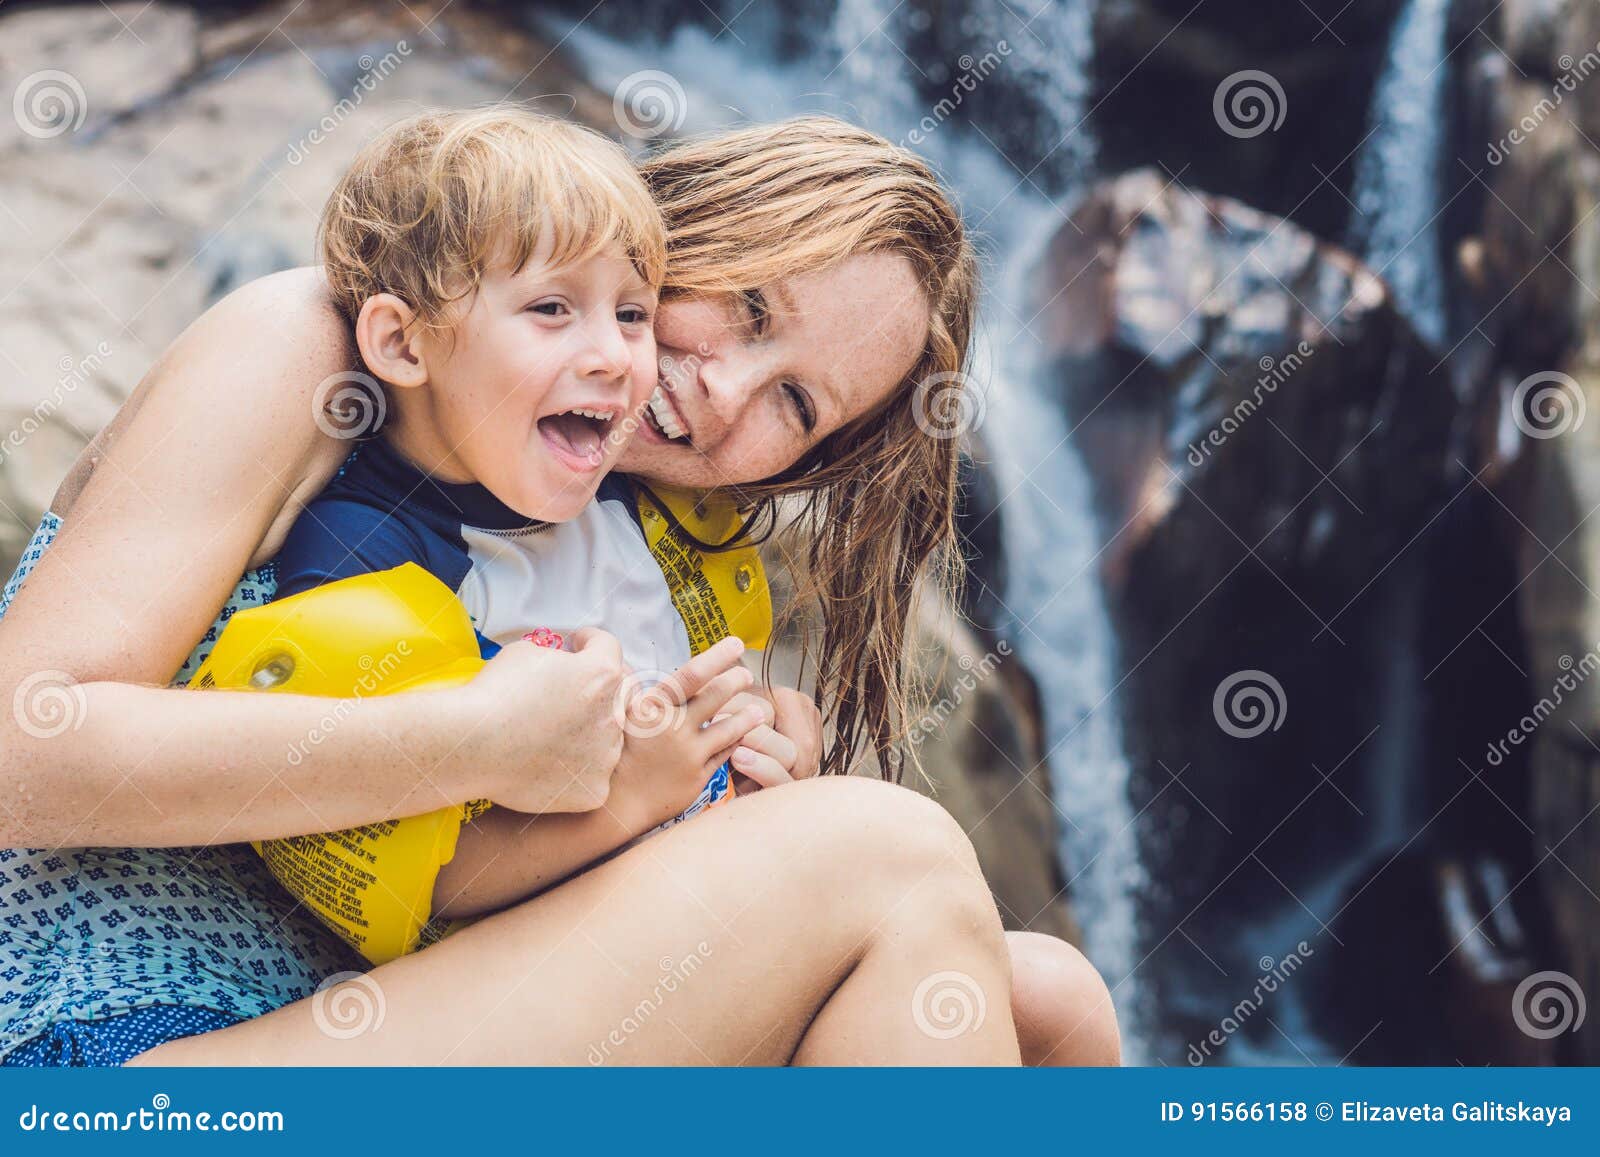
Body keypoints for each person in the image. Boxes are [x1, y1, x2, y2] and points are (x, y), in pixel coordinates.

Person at [0, 115, 1119, 1066]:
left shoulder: (633, 542)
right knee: (879, 851)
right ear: (679, 224)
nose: (722, 392)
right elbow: (19, 753)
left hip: (370, 1033)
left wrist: (720, 816)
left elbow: (483, 899)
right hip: (115, 1042)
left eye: (795, 406)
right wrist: (476, 739)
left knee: (1050, 999)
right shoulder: (322, 349)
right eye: (748, 308)